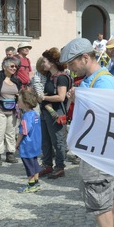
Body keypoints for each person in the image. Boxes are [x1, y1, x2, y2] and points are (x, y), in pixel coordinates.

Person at [60, 38, 114, 227]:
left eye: (72, 64)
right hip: (94, 148)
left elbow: (106, 116)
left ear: (85, 58)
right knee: (106, 193)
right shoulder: (92, 80)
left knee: (97, 193)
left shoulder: (103, 81)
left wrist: (80, 99)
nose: (70, 69)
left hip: (99, 149)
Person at [38, 48, 70, 179]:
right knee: (45, 141)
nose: (42, 63)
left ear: (51, 62)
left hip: (56, 114)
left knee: (58, 141)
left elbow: (61, 97)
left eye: (44, 61)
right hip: (46, 112)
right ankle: (47, 165)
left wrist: (44, 98)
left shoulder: (61, 78)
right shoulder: (50, 76)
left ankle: (60, 166)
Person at [16, 88, 42, 193]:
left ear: (25, 103)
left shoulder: (26, 116)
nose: (17, 103)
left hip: (27, 145)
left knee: (29, 166)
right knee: (35, 163)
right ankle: (36, 182)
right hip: (36, 143)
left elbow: (24, 131)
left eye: (19, 101)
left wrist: (17, 143)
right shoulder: (35, 114)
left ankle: (31, 185)